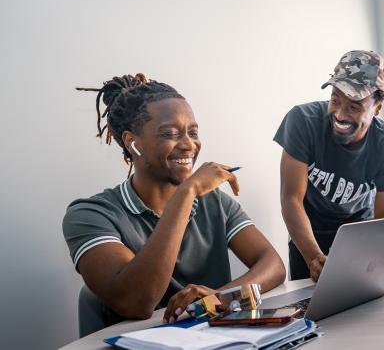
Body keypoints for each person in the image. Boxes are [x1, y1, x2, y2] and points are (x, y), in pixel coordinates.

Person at [63, 74, 285, 327]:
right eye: (170, 133)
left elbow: (273, 264)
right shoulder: (91, 215)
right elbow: (137, 302)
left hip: (212, 340)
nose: (188, 144)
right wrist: (185, 194)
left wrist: (219, 299)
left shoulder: (215, 203)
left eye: (193, 132)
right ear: (132, 143)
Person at [274, 50, 384, 281]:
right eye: (335, 100)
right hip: (307, 238)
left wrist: (372, 263)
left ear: (377, 107)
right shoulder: (302, 122)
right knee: (309, 313)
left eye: (354, 106)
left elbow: (383, 223)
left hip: (359, 239)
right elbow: (291, 199)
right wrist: (314, 258)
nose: (339, 114)